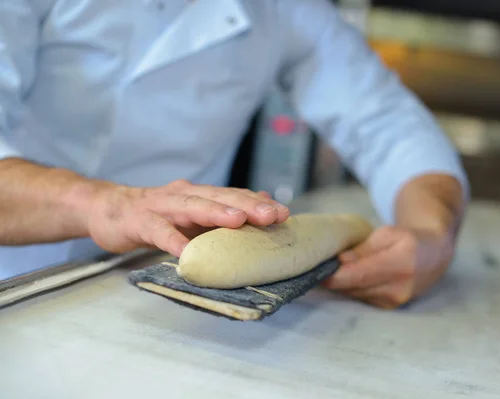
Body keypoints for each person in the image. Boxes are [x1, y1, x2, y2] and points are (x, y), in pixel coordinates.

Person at [0, 0, 469, 309]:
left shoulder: (286, 9)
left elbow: (389, 125)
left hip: (178, 296)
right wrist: (110, 205)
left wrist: (432, 232)